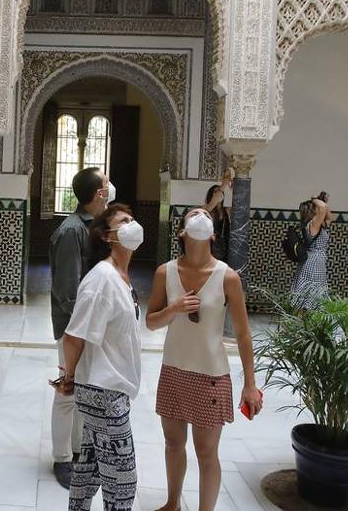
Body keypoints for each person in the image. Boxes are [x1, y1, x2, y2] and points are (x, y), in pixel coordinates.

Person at [146, 207, 264, 511]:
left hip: (210, 375)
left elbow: (243, 334)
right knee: (173, 444)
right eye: (192, 214)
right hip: (173, 370)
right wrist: (174, 309)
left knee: (206, 452)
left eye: (205, 214)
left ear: (212, 233)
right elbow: (151, 322)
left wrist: (250, 384)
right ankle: (173, 503)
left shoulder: (227, 277)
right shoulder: (165, 272)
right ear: (182, 231)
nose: (200, 213)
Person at [59, 203, 144, 511]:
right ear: (108, 236)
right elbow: (74, 335)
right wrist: (70, 377)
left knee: (91, 467)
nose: (132, 224)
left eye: (132, 219)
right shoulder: (102, 278)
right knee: (123, 481)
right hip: (104, 393)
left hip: (107, 388)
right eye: (124, 221)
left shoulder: (120, 276)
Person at [50, 167, 113, 488]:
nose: (109, 188)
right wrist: (83, 332)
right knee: (66, 393)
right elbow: (67, 292)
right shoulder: (71, 231)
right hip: (73, 330)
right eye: (105, 184)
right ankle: (61, 459)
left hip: (87, 329)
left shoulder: (91, 227)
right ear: (98, 194)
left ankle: (76, 452)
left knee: (82, 392)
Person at [290, 192, 333, 310]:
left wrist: (321, 201)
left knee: (310, 295)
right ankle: (298, 322)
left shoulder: (318, 225)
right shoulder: (313, 225)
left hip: (315, 261)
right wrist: (315, 199)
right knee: (308, 296)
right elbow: (323, 208)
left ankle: (302, 322)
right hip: (313, 264)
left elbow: (329, 216)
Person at [201, 169, 232, 260]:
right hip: (209, 248)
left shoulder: (226, 210)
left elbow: (239, 206)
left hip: (224, 248)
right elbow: (214, 201)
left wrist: (233, 187)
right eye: (215, 191)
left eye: (220, 191)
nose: (219, 193)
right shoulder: (206, 208)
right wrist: (224, 184)